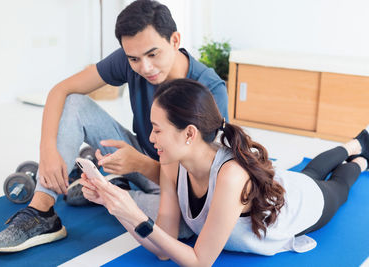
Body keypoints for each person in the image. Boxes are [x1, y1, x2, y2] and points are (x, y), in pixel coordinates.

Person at [0, 0, 228, 252]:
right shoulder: (131, 59)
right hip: (142, 153)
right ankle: (40, 212)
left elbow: (201, 187)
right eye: (134, 58)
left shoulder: (210, 91)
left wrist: (138, 165)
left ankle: (105, 189)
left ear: (175, 40)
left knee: (184, 227)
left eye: (153, 54)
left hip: (179, 189)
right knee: (76, 103)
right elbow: (61, 90)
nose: (145, 67)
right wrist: (47, 150)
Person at [79, 78, 369, 266]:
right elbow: (163, 248)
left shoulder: (230, 177)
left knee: (337, 186)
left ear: (189, 134)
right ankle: (354, 143)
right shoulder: (171, 162)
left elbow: (199, 261)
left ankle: (359, 157)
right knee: (311, 169)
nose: (151, 138)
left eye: (157, 129)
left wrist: (136, 214)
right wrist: (115, 206)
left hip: (301, 204)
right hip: (280, 183)